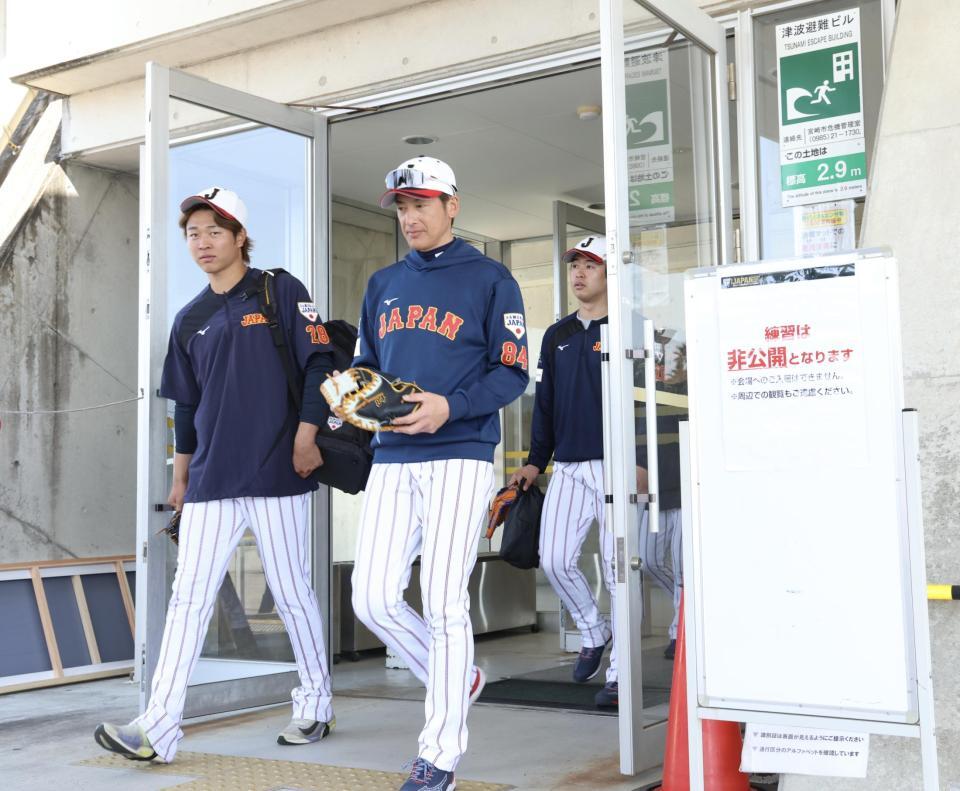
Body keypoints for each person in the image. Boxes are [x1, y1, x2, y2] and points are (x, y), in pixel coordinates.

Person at [94, 187, 336, 762]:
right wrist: (180, 478)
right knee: (187, 600)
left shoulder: (280, 289)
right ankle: (157, 727)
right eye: (193, 234)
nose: (202, 244)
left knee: (292, 592)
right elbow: (185, 407)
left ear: (238, 236)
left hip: (277, 470)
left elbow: (319, 363)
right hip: (210, 479)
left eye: (213, 232)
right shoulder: (189, 318)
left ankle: (316, 704)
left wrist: (307, 435)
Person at [348, 156, 529, 791]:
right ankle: (460, 677)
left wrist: (450, 405)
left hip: (460, 453)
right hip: (394, 457)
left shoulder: (491, 278)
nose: (409, 216)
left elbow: (512, 371)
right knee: (371, 597)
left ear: (452, 205)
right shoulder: (382, 284)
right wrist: (358, 401)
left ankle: (440, 756)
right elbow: (367, 366)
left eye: (420, 203)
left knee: (446, 601)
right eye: (401, 205)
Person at [509, 236, 621, 708]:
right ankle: (594, 631)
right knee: (554, 558)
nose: (579, 273)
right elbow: (546, 405)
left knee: (620, 571)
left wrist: (639, 459)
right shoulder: (557, 335)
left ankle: (619, 677)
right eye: (574, 264)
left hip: (617, 465)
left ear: (611, 272)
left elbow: (642, 404)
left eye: (590, 265)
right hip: (570, 466)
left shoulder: (628, 329)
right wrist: (536, 461)